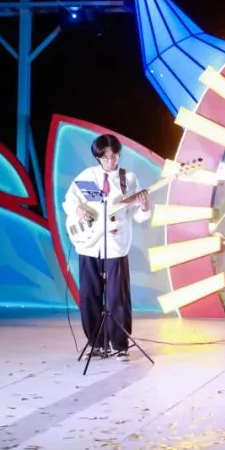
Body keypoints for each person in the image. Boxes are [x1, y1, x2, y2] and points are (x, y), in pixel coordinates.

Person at [62, 134, 151, 361]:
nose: (111, 161)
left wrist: (143, 206)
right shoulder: (88, 176)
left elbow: (138, 216)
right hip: (89, 245)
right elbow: (70, 201)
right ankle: (97, 344)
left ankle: (120, 345)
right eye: (105, 157)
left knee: (117, 297)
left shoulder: (128, 179)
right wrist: (78, 210)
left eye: (114, 156)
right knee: (89, 295)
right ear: (98, 158)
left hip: (115, 246)